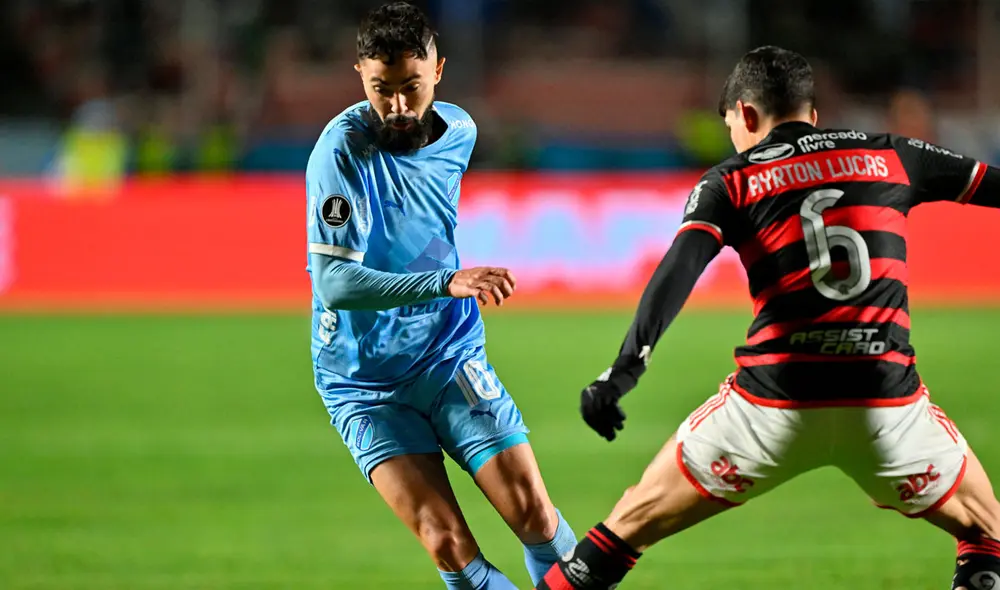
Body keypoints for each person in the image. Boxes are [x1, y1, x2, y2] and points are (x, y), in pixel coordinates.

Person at [534, 46, 1000, 590]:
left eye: (729, 122)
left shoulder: (731, 179)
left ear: (747, 115)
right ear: (812, 114)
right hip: (886, 410)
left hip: (769, 409)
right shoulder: (894, 155)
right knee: (986, 533)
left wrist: (623, 371)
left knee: (624, 530)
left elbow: (677, 272)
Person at [305, 3, 576, 588]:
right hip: (363, 381)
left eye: (412, 87)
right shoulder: (340, 153)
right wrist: (445, 282)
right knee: (449, 545)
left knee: (532, 512)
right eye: (382, 90)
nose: (398, 107)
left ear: (438, 70)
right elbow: (334, 283)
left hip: (447, 356)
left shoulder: (461, 132)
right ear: (359, 75)